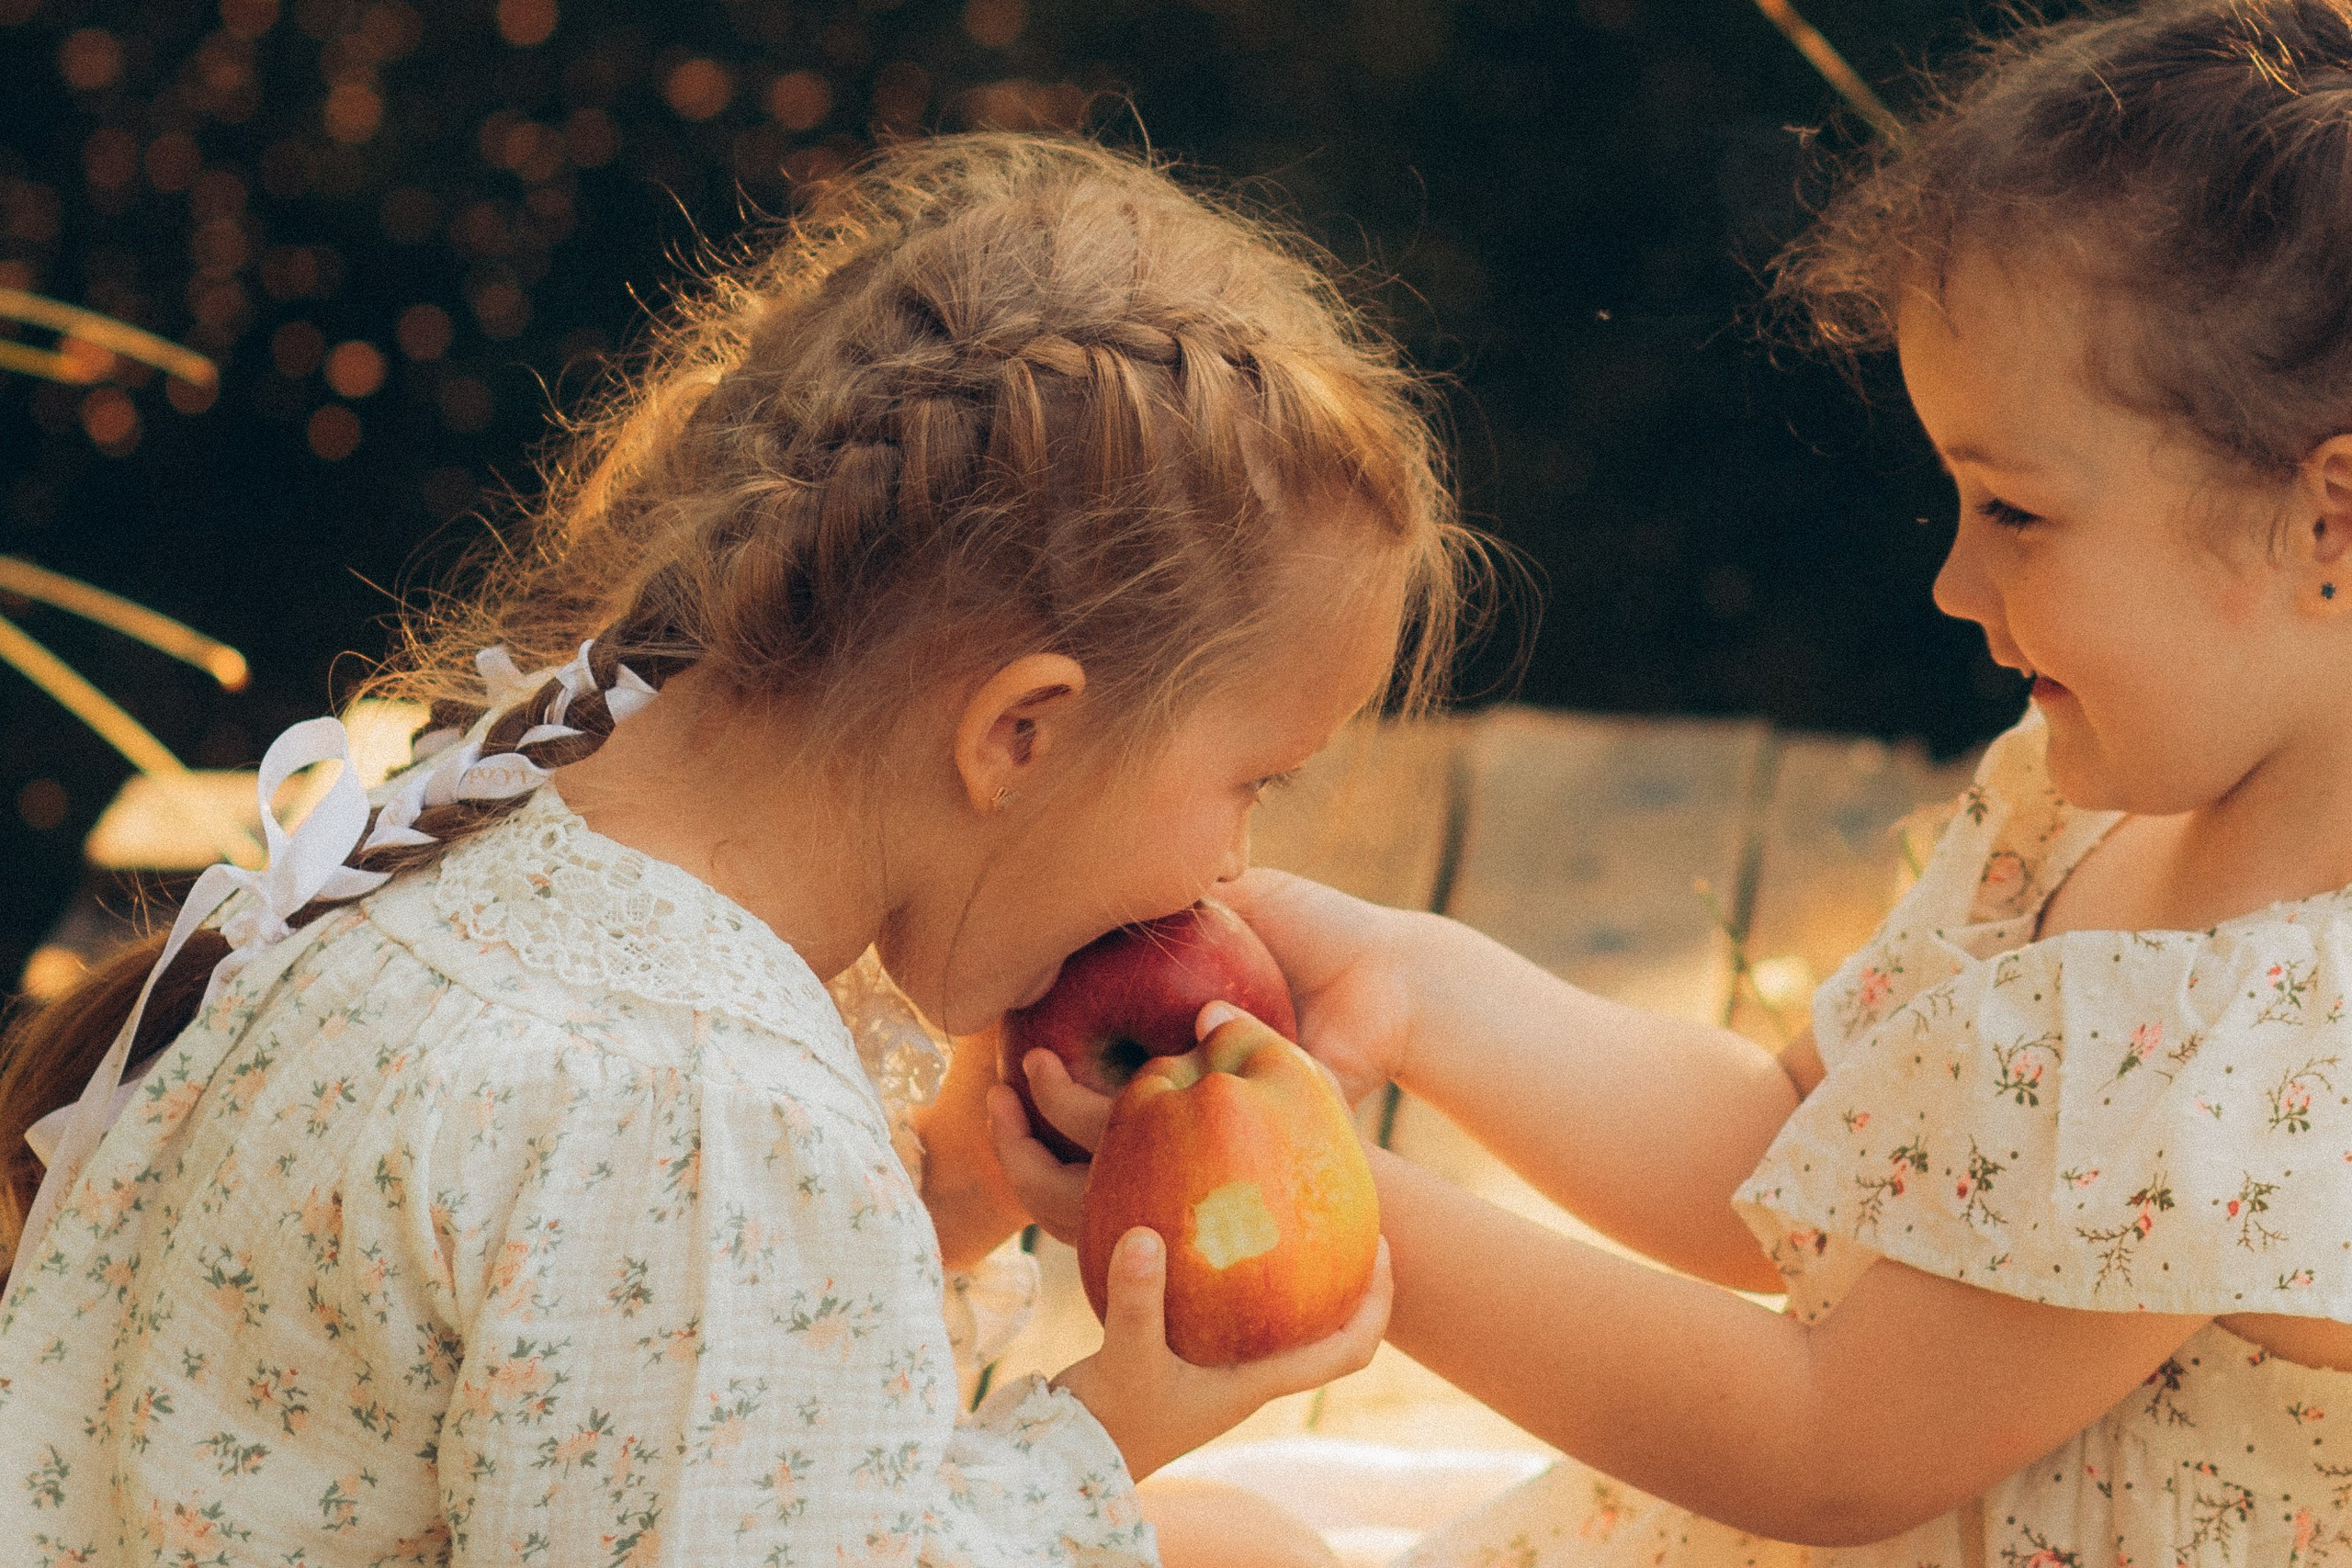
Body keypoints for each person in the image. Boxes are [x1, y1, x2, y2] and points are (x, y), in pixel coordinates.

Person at [0, 132, 1480, 1566]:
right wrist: (1100, 1438)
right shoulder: (708, 1111)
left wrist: (951, 1206)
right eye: (1253, 782)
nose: (1228, 871)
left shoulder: (520, 787)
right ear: (1020, 733)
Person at [994, 3, 2352, 1562]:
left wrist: (1300, 1204)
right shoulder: (2082, 808)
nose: (1957, 583)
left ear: (2327, 518)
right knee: (1196, 1529)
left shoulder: (2272, 1048)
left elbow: (1823, 1444)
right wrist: (1412, 978)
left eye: (2019, 513)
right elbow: (1779, 1149)